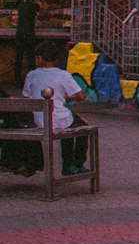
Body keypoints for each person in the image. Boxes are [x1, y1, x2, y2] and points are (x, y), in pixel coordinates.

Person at [23, 41, 90, 176]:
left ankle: (69, 164)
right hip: (58, 118)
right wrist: (67, 97)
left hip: (39, 120)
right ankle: (74, 163)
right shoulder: (63, 74)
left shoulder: (31, 75)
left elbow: (26, 97)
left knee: (69, 121)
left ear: (40, 58)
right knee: (80, 125)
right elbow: (81, 96)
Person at [13, 0, 39, 85]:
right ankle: (30, 80)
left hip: (19, 33)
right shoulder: (33, 6)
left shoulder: (20, 6)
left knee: (18, 57)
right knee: (31, 58)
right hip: (29, 34)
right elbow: (39, 15)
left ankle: (17, 80)